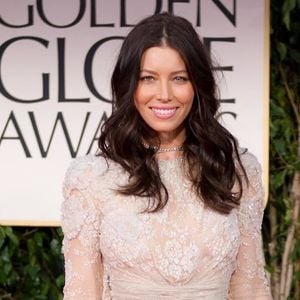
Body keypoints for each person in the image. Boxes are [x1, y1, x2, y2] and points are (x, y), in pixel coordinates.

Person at [61, 12, 272, 300]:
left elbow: (250, 287)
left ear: (197, 84)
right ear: (129, 84)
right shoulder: (91, 178)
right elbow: (82, 293)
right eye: (148, 78)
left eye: (179, 78)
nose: (164, 94)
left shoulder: (234, 170)